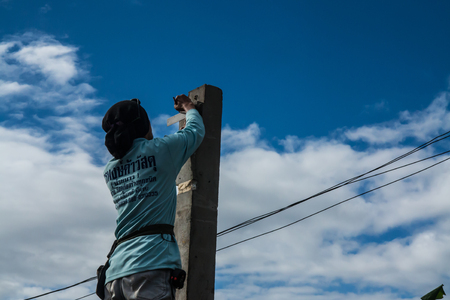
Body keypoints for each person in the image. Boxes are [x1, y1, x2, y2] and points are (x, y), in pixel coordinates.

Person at [100, 95, 205, 300]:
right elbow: (195, 131)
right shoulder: (161, 150)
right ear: (143, 126)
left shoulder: (110, 169)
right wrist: (188, 106)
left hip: (115, 274)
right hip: (150, 264)